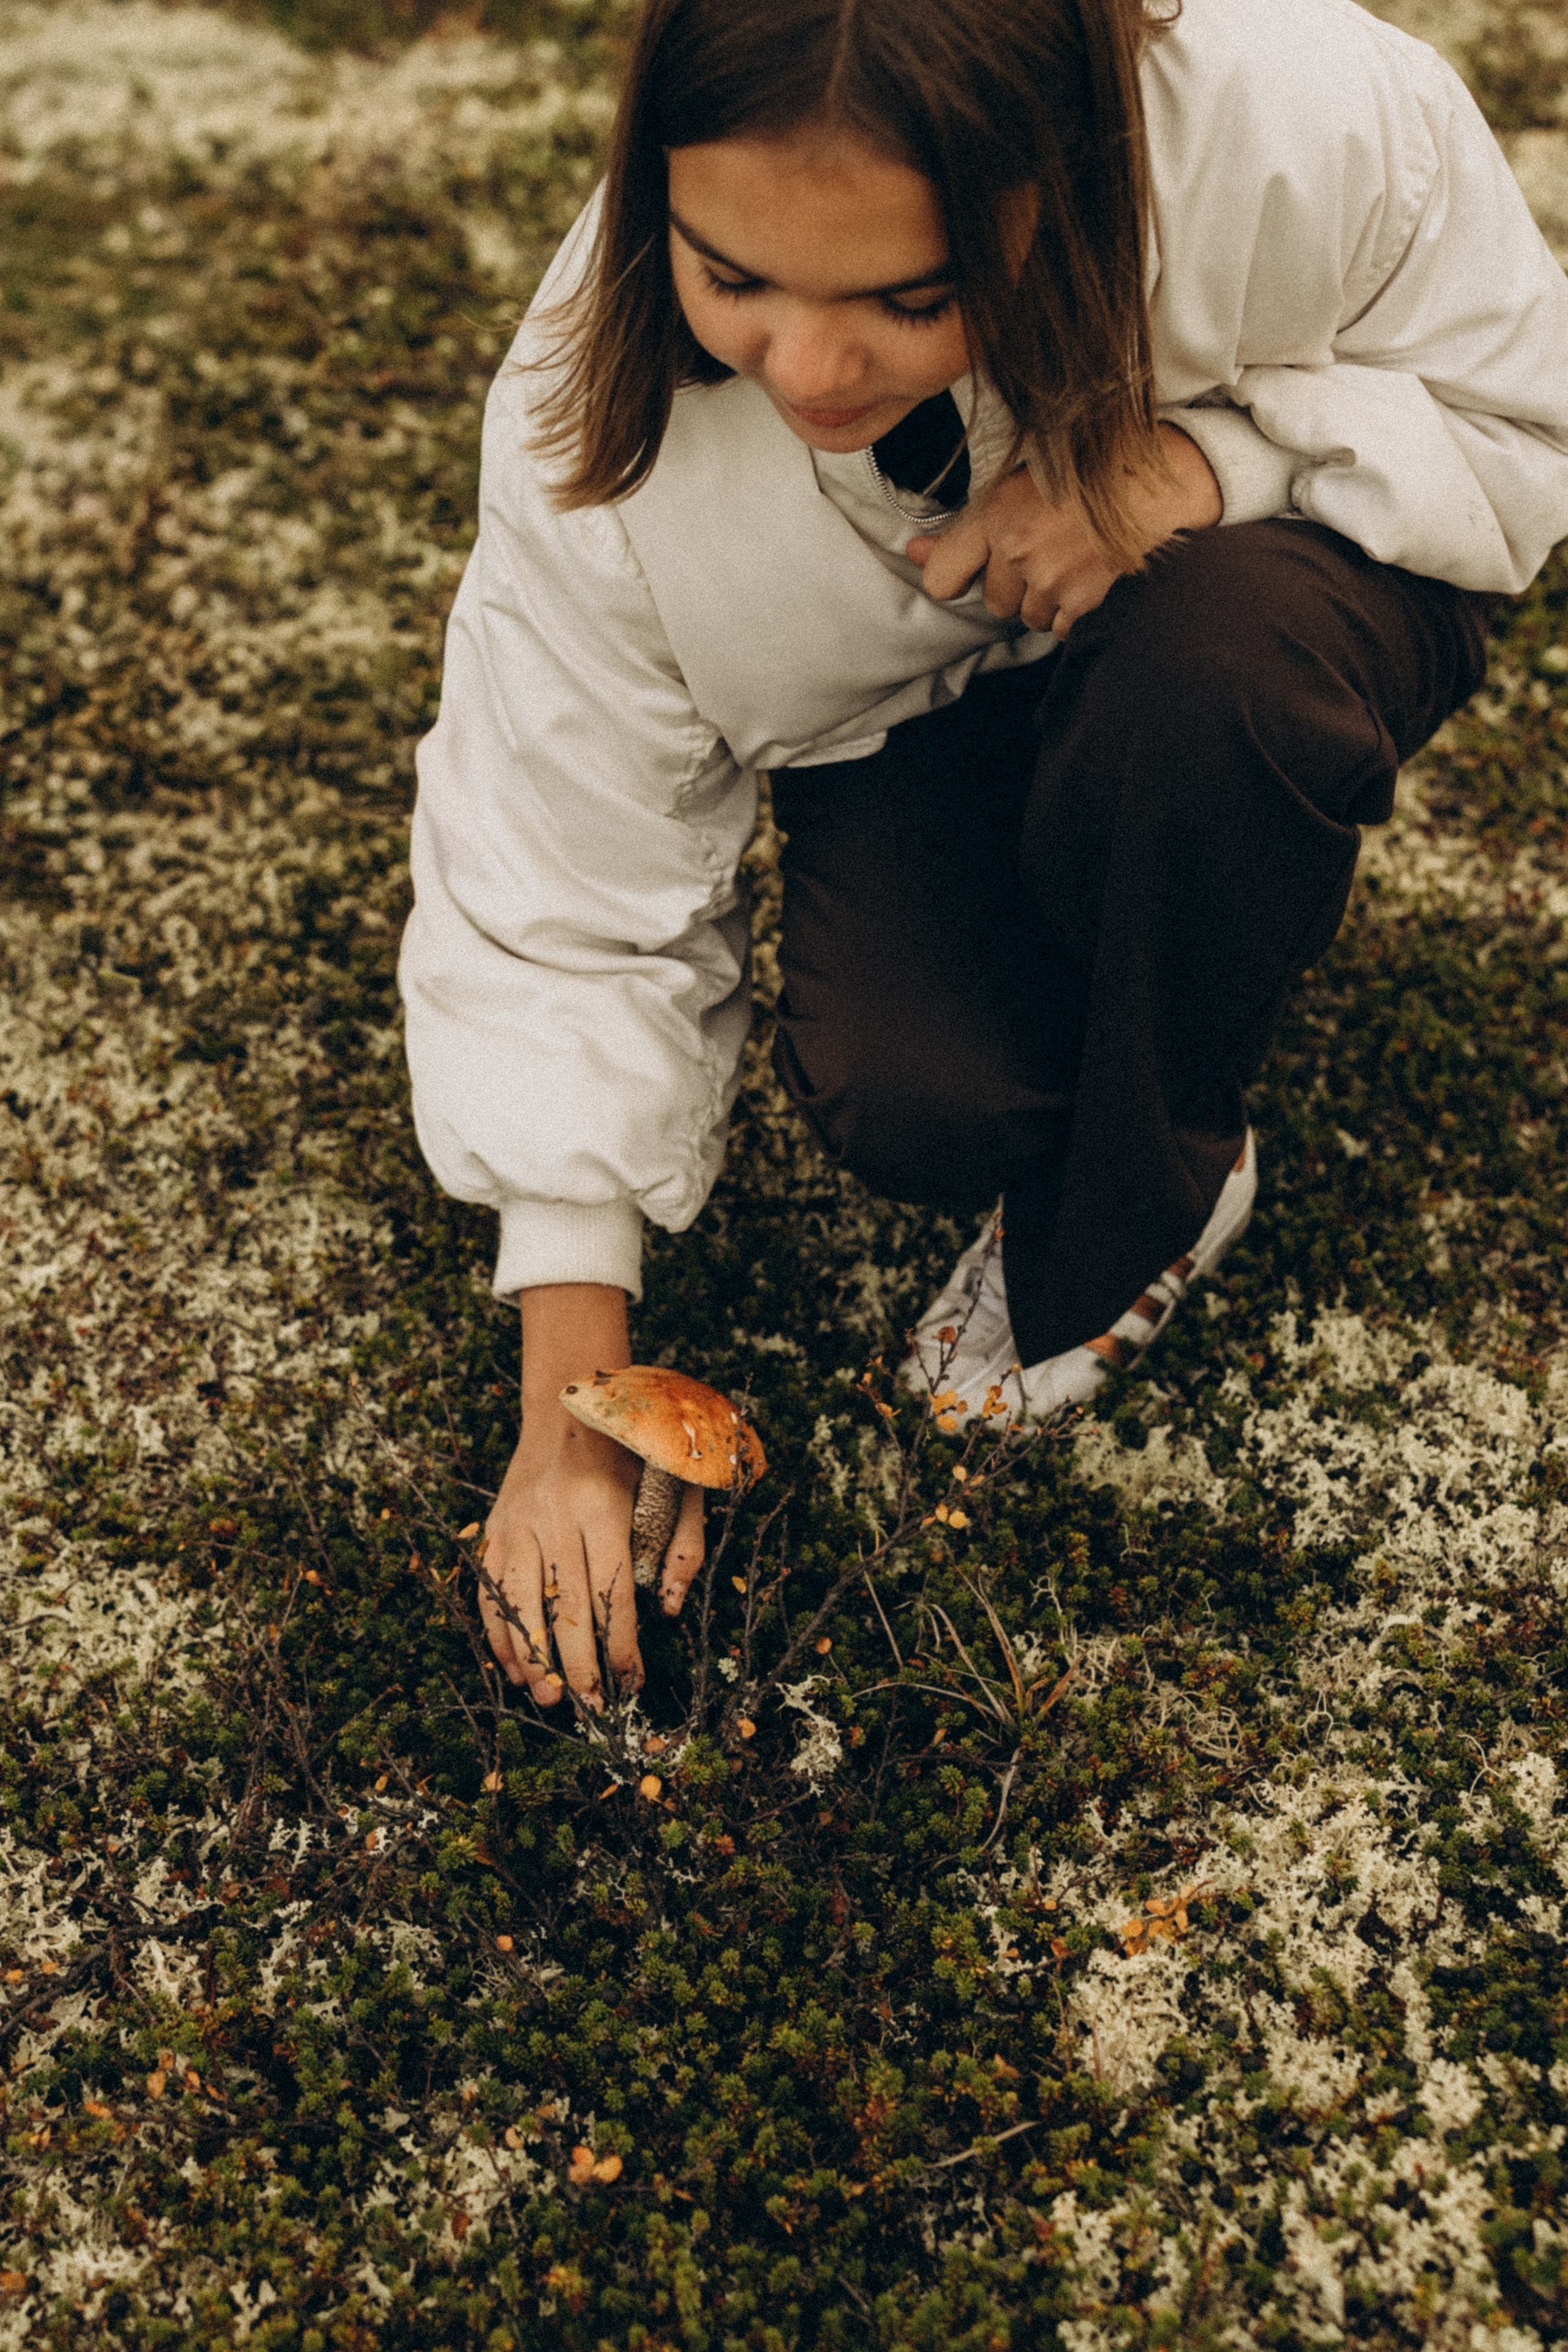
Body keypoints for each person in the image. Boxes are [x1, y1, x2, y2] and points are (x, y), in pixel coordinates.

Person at [399, 0, 1568, 1706]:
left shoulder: (1301, 118)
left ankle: (1166, 1171)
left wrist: (1191, 467)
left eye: (908, 299)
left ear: (1062, 185)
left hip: (1247, 602)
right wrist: (570, 1414)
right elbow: (556, 860)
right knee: (918, 1092)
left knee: (1206, 703)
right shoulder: (586, 413)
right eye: (735, 280)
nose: (804, 371)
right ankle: (1091, 920)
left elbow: (1519, 412)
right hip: (926, 707)